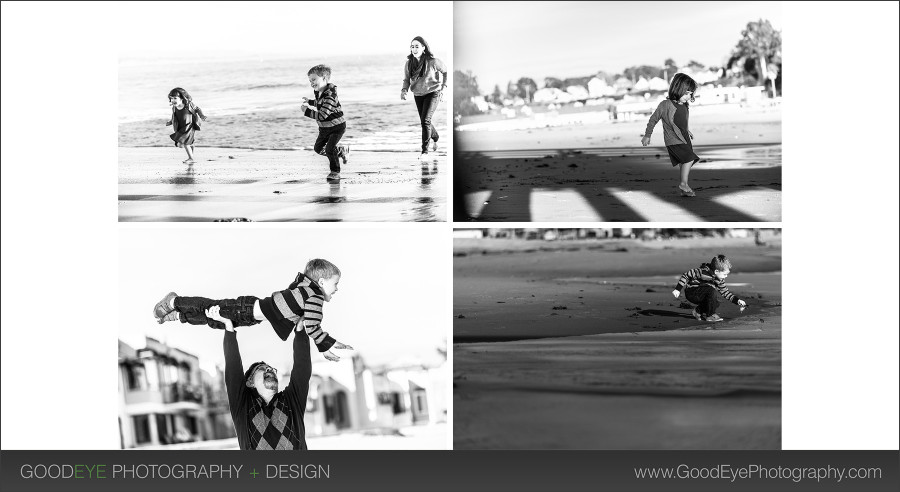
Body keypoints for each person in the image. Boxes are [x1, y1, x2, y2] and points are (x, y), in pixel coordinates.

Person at [206, 304, 347, 450]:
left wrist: (299, 329)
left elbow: (302, 368)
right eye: (262, 369)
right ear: (249, 382)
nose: (269, 370)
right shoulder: (243, 406)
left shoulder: (291, 401)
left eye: (271, 369)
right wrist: (228, 327)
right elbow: (233, 370)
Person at [153, 259, 353, 360]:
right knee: (209, 308)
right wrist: (326, 345)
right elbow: (313, 324)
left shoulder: (304, 289)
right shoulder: (315, 295)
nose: (337, 289)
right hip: (247, 309)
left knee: (213, 319)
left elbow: (303, 317)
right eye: (335, 284)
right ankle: (173, 302)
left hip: (250, 314)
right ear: (321, 281)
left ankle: (177, 316)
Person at [640, 73, 700, 197]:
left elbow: (681, 120)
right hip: (673, 139)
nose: (689, 96)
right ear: (678, 89)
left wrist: (687, 130)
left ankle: (684, 188)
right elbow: (653, 119)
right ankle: (683, 184)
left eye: (691, 94)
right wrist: (647, 135)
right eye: (687, 93)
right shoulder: (665, 105)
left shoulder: (684, 105)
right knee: (690, 159)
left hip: (684, 137)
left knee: (684, 162)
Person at [401, 36, 448, 160]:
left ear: (423, 48)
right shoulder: (409, 63)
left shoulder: (433, 61)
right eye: (412, 46)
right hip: (418, 95)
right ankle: (436, 137)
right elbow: (406, 79)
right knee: (425, 121)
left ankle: (425, 152)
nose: (414, 49)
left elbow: (445, 71)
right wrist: (404, 90)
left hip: (433, 92)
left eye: (417, 46)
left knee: (425, 121)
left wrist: (443, 88)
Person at [301, 65, 348, 181]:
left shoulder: (330, 95)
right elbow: (320, 103)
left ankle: (335, 172)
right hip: (325, 128)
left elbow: (323, 115)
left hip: (337, 127)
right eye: (310, 80)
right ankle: (341, 151)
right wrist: (311, 102)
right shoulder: (319, 92)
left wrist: (307, 111)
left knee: (329, 149)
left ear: (324, 78)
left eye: (314, 79)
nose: (311, 83)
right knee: (318, 148)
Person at [672, 254, 748, 322]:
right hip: (692, 292)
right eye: (724, 274)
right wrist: (677, 289)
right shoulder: (702, 272)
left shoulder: (720, 280)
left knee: (715, 302)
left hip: (703, 293)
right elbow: (686, 275)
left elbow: (725, 292)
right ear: (716, 271)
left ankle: (697, 311)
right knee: (711, 290)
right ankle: (710, 315)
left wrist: (737, 300)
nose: (726, 276)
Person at [165, 87, 207, 164]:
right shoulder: (174, 108)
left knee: (184, 143)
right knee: (185, 144)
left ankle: (191, 158)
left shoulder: (188, 105)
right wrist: (170, 122)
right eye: (171, 98)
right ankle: (191, 156)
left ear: (182, 98)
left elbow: (197, 109)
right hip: (181, 128)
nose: (173, 100)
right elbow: (174, 117)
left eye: (175, 98)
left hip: (189, 126)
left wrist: (202, 116)